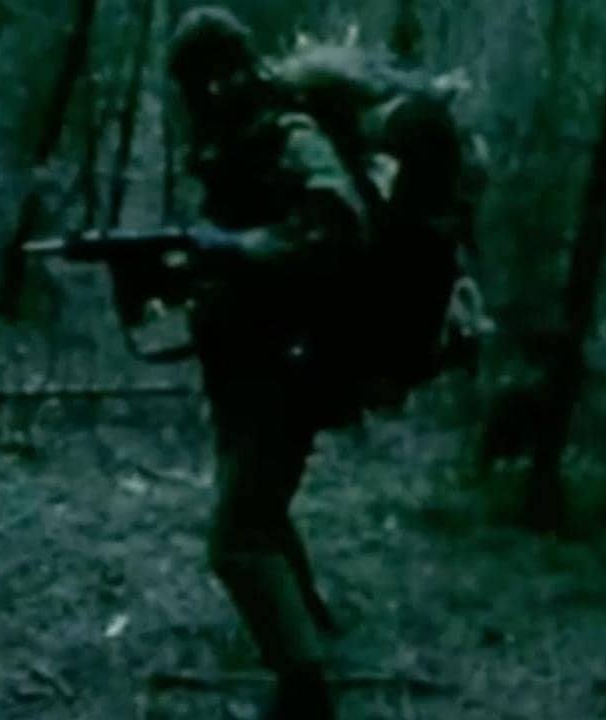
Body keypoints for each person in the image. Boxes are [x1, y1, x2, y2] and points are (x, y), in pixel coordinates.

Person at [167, 7, 383, 720]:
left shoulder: (290, 135)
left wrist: (235, 250)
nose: (207, 95)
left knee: (236, 539)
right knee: (256, 501)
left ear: (236, 67)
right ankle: (310, 621)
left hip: (292, 362)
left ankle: (304, 688)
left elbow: (336, 230)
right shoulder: (236, 141)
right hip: (249, 360)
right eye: (195, 83)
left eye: (214, 76)